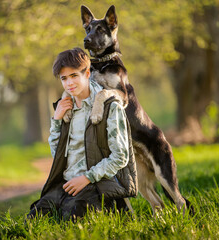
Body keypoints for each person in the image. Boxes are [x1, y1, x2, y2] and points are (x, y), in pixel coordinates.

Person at [27, 47, 137, 221]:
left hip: (95, 185)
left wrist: (87, 178)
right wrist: (56, 120)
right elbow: (58, 156)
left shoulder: (110, 106)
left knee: (72, 219)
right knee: (33, 220)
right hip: (66, 185)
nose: (69, 83)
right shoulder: (65, 108)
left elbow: (120, 156)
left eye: (74, 76)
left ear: (87, 73)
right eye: (64, 78)